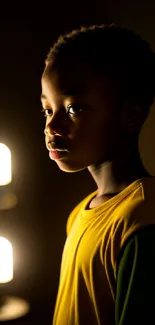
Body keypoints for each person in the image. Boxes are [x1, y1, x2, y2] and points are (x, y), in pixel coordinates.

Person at [41, 23, 155, 325]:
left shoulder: (142, 220)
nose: (52, 127)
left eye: (74, 109)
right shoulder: (79, 213)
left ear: (129, 115)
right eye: (48, 110)